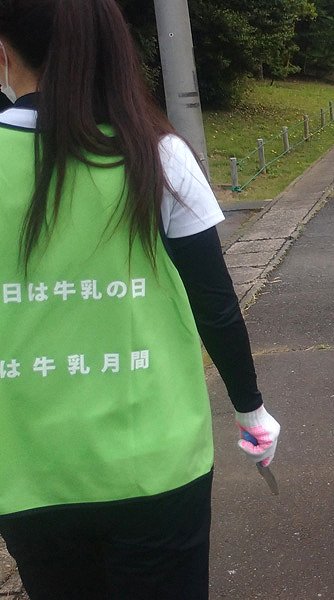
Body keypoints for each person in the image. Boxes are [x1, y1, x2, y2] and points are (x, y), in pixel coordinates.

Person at [0, 1, 280, 598]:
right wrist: (250, 410)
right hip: (156, 461)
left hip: (27, 466)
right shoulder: (157, 155)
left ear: (4, 51)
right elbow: (216, 305)